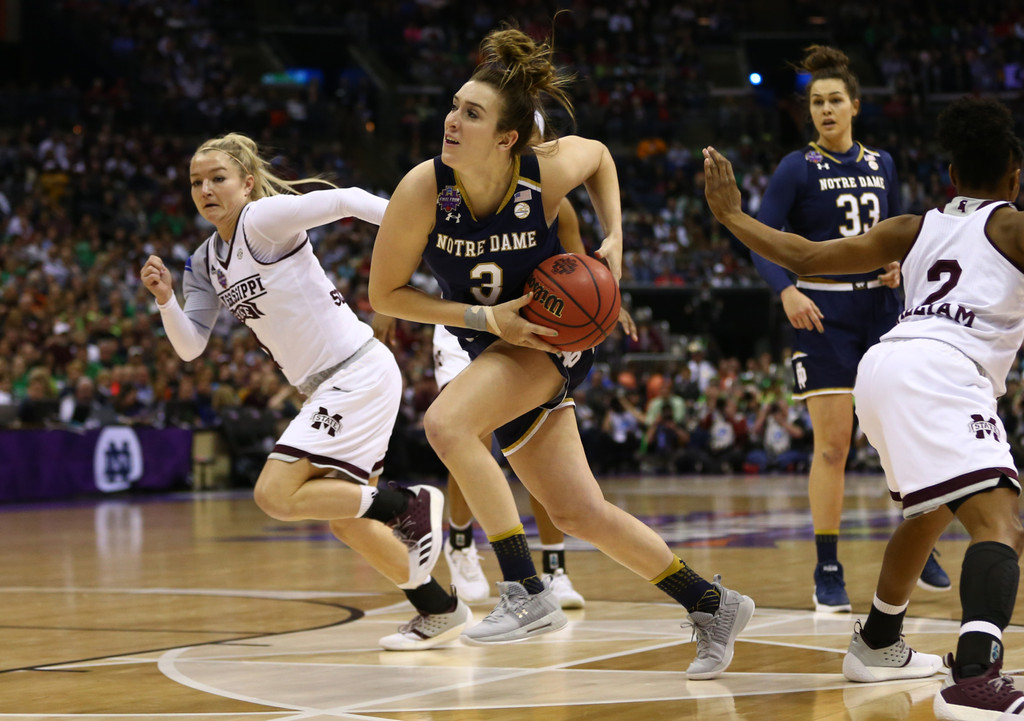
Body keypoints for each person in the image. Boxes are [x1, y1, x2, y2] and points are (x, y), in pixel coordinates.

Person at [369, 26, 753, 679]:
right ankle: (712, 603)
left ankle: (524, 587)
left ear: (507, 138)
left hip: (550, 339)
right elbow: (386, 292)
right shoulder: (424, 190)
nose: (452, 119)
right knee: (579, 510)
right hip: (495, 338)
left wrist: (616, 239)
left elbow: (601, 156)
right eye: (455, 105)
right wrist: (481, 315)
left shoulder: (541, 175)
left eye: (472, 113)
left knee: (447, 423)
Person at [703, 94, 1024, 719]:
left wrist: (733, 216)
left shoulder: (913, 226)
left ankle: (877, 641)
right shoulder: (1013, 224)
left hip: (882, 367)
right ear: (1015, 178)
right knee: (1002, 525)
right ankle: (978, 680)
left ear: (952, 177)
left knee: (928, 513)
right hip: (940, 370)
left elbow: (808, 256)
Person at [140, 132, 468, 652]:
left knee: (274, 494)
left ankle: (406, 504)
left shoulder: (260, 222)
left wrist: (427, 237)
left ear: (247, 184)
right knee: (346, 521)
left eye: (218, 178)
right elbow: (190, 348)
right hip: (335, 382)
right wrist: (165, 301)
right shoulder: (203, 261)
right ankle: (439, 609)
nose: (205, 189)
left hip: (354, 371)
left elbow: (345, 200)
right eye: (196, 182)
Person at [750, 45, 947, 611]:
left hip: (881, 311)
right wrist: (785, 289)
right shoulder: (796, 168)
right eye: (817, 102)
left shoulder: (881, 163)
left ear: (855, 106)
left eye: (835, 100)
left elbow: (898, 229)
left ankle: (920, 537)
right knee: (833, 445)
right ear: (809, 111)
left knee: (900, 435)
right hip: (822, 314)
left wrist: (898, 264)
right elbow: (761, 237)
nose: (826, 110)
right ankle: (828, 564)